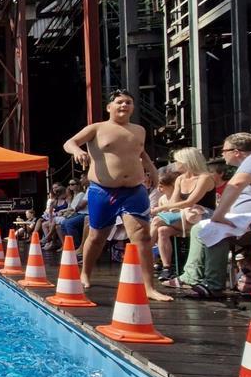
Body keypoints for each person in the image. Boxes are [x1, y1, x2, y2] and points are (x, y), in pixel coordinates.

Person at [62, 89, 170, 301]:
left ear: (132, 107)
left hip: (134, 190)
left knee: (143, 236)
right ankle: (85, 273)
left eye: (128, 102)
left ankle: (149, 286)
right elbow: (69, 142)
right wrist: (77, 151)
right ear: (109, 107)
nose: (124, 106)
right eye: (119, 102)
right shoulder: (97, 128)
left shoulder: (139, 130)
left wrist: (152, 169)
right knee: (97, 237)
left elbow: (141, 152)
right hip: (103, 190)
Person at [168, 133, 251, 298]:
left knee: (211, 228)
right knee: (202, 228)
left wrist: (219, 216)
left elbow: (236, 185)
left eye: (224, 150)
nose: (222, 154)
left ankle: (212, 284)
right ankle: (194, 276)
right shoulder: (249, 163)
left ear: (237, 151)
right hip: (245, 219)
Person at [150, 147, 216, 282]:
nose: (175, 164)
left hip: (202, 216)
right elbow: (175, 203)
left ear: (187, 161)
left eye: (177, 161)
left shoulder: (205, 178)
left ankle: (143, 254)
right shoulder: (180, 179)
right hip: (184, 216)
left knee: (157, 221)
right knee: (162, 230)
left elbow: (191, 201)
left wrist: (163, 207)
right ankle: (167, 267)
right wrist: (172, 205)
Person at [60, 178, 89, 245]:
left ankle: (76, 245)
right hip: (77, 213)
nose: (70, 186)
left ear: (78, 185)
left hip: (83, 214)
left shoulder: (81, 194)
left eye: (72, 184)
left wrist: (63, 211)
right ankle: (67, 244)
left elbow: (76, 208)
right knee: (63, 223)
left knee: (69, 223)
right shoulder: (73, 196)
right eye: (69, 184)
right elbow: (72, 207)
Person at [40, 183, 69, 250]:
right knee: (45, 224)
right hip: (55, 219)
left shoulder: (66, 200)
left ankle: (48, 238)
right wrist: (50, 221)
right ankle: (50, 242)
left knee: (56, 226)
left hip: (63, 217)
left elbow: (70, 208)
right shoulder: (54, 201)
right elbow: (50, 212)